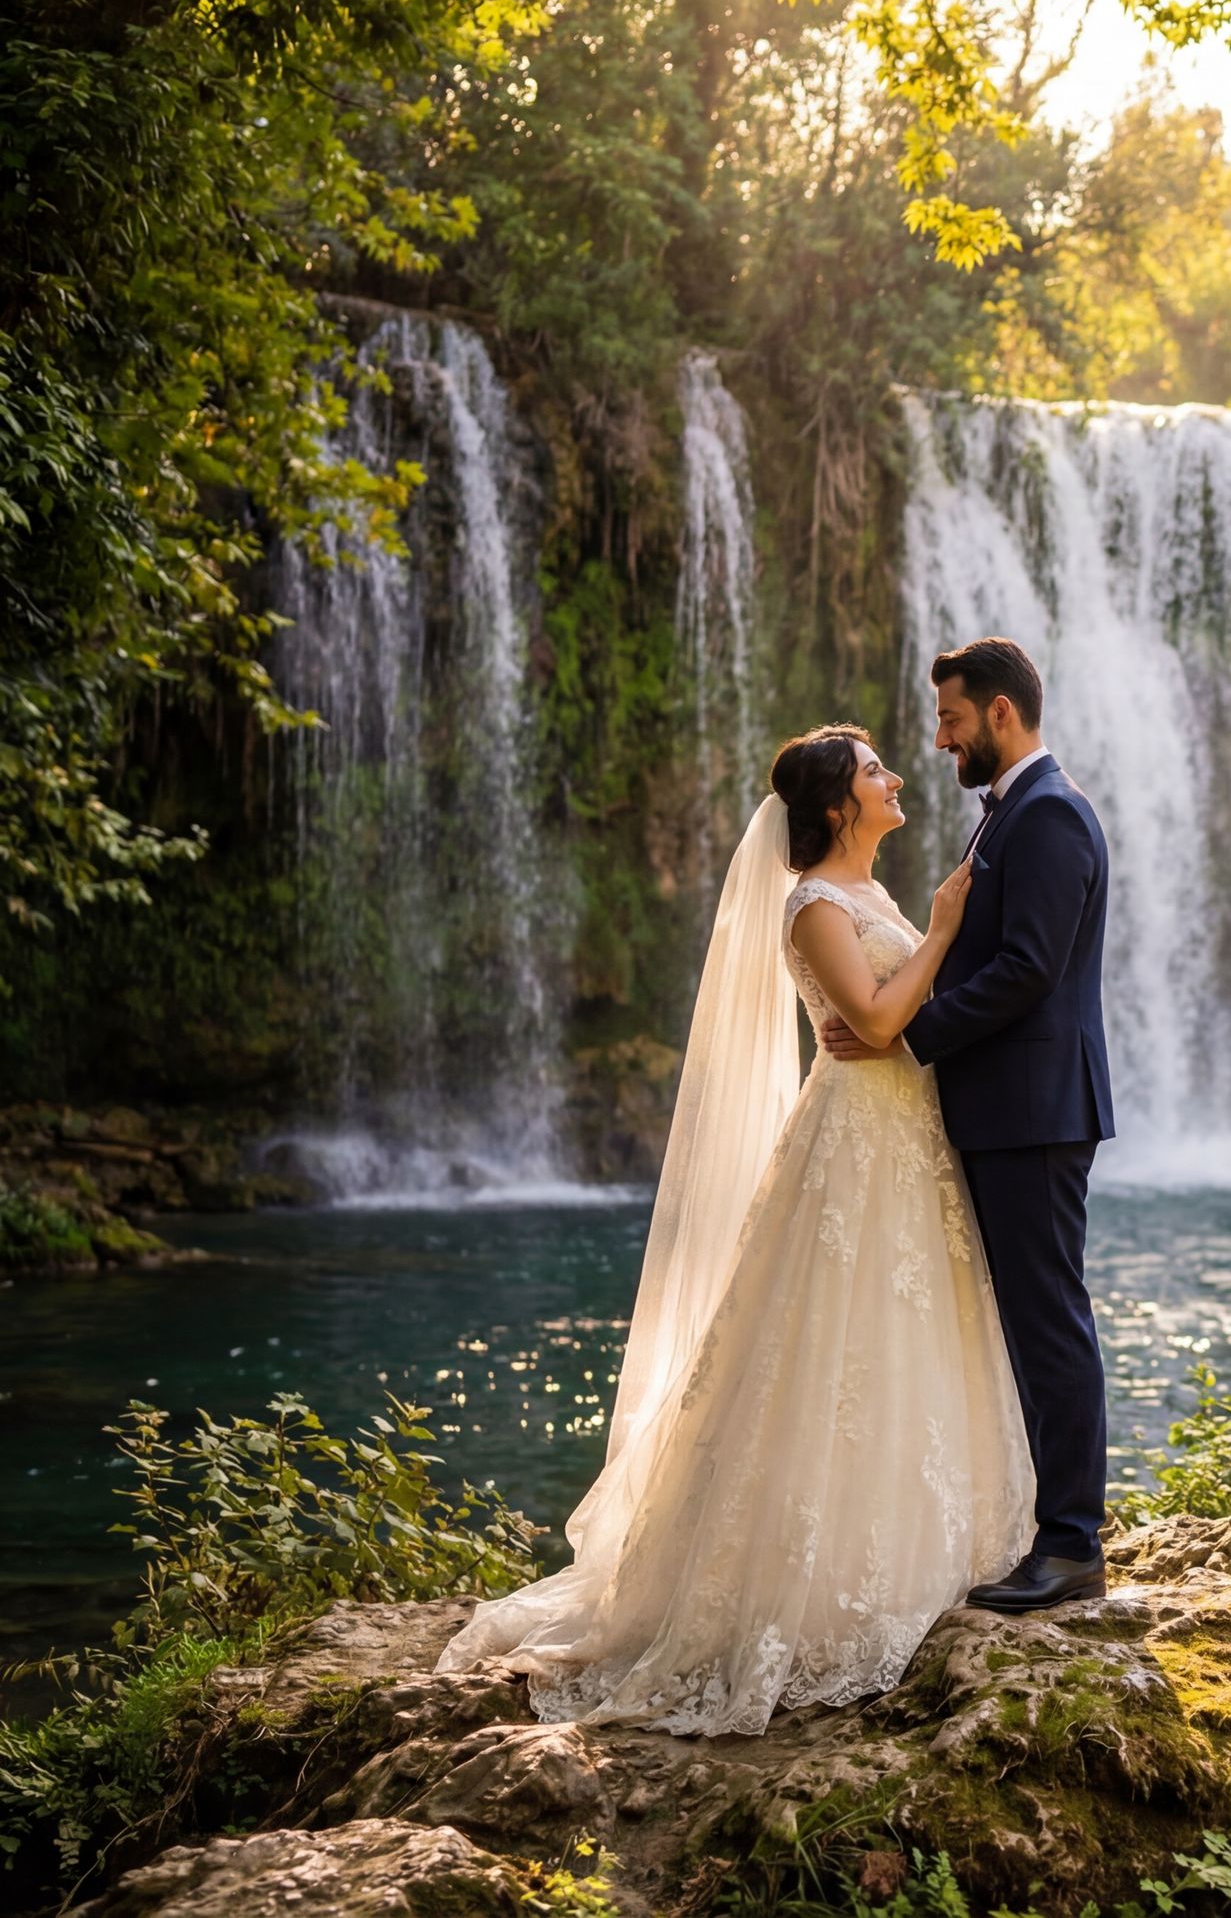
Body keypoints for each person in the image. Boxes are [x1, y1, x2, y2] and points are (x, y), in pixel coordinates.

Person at [435, 726, 1033, 1734]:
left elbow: (894, 1017)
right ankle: (799, 1582)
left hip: (906, 1139)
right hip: (851, 1144)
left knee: (902, 1337)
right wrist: (937, 932)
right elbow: (879, 1025)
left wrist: (923, 942)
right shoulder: (812, 905)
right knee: (826, 1349)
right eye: (876, 772)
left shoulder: (872, 894)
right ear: (840, 806)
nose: (895, 779)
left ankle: (910, 1546)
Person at [818, 637, 1115, 1612]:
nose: (939, 740)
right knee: (1022, 1324)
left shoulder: (1051, 816)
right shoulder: (1009, 818)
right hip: (1006, 1112)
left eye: (950, 719)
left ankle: (1072, 1546)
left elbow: (1030, 967)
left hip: (1035, 1113)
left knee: (1048, 1321)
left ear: (999, 712)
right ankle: (1042, 1529)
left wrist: (914, 1035)